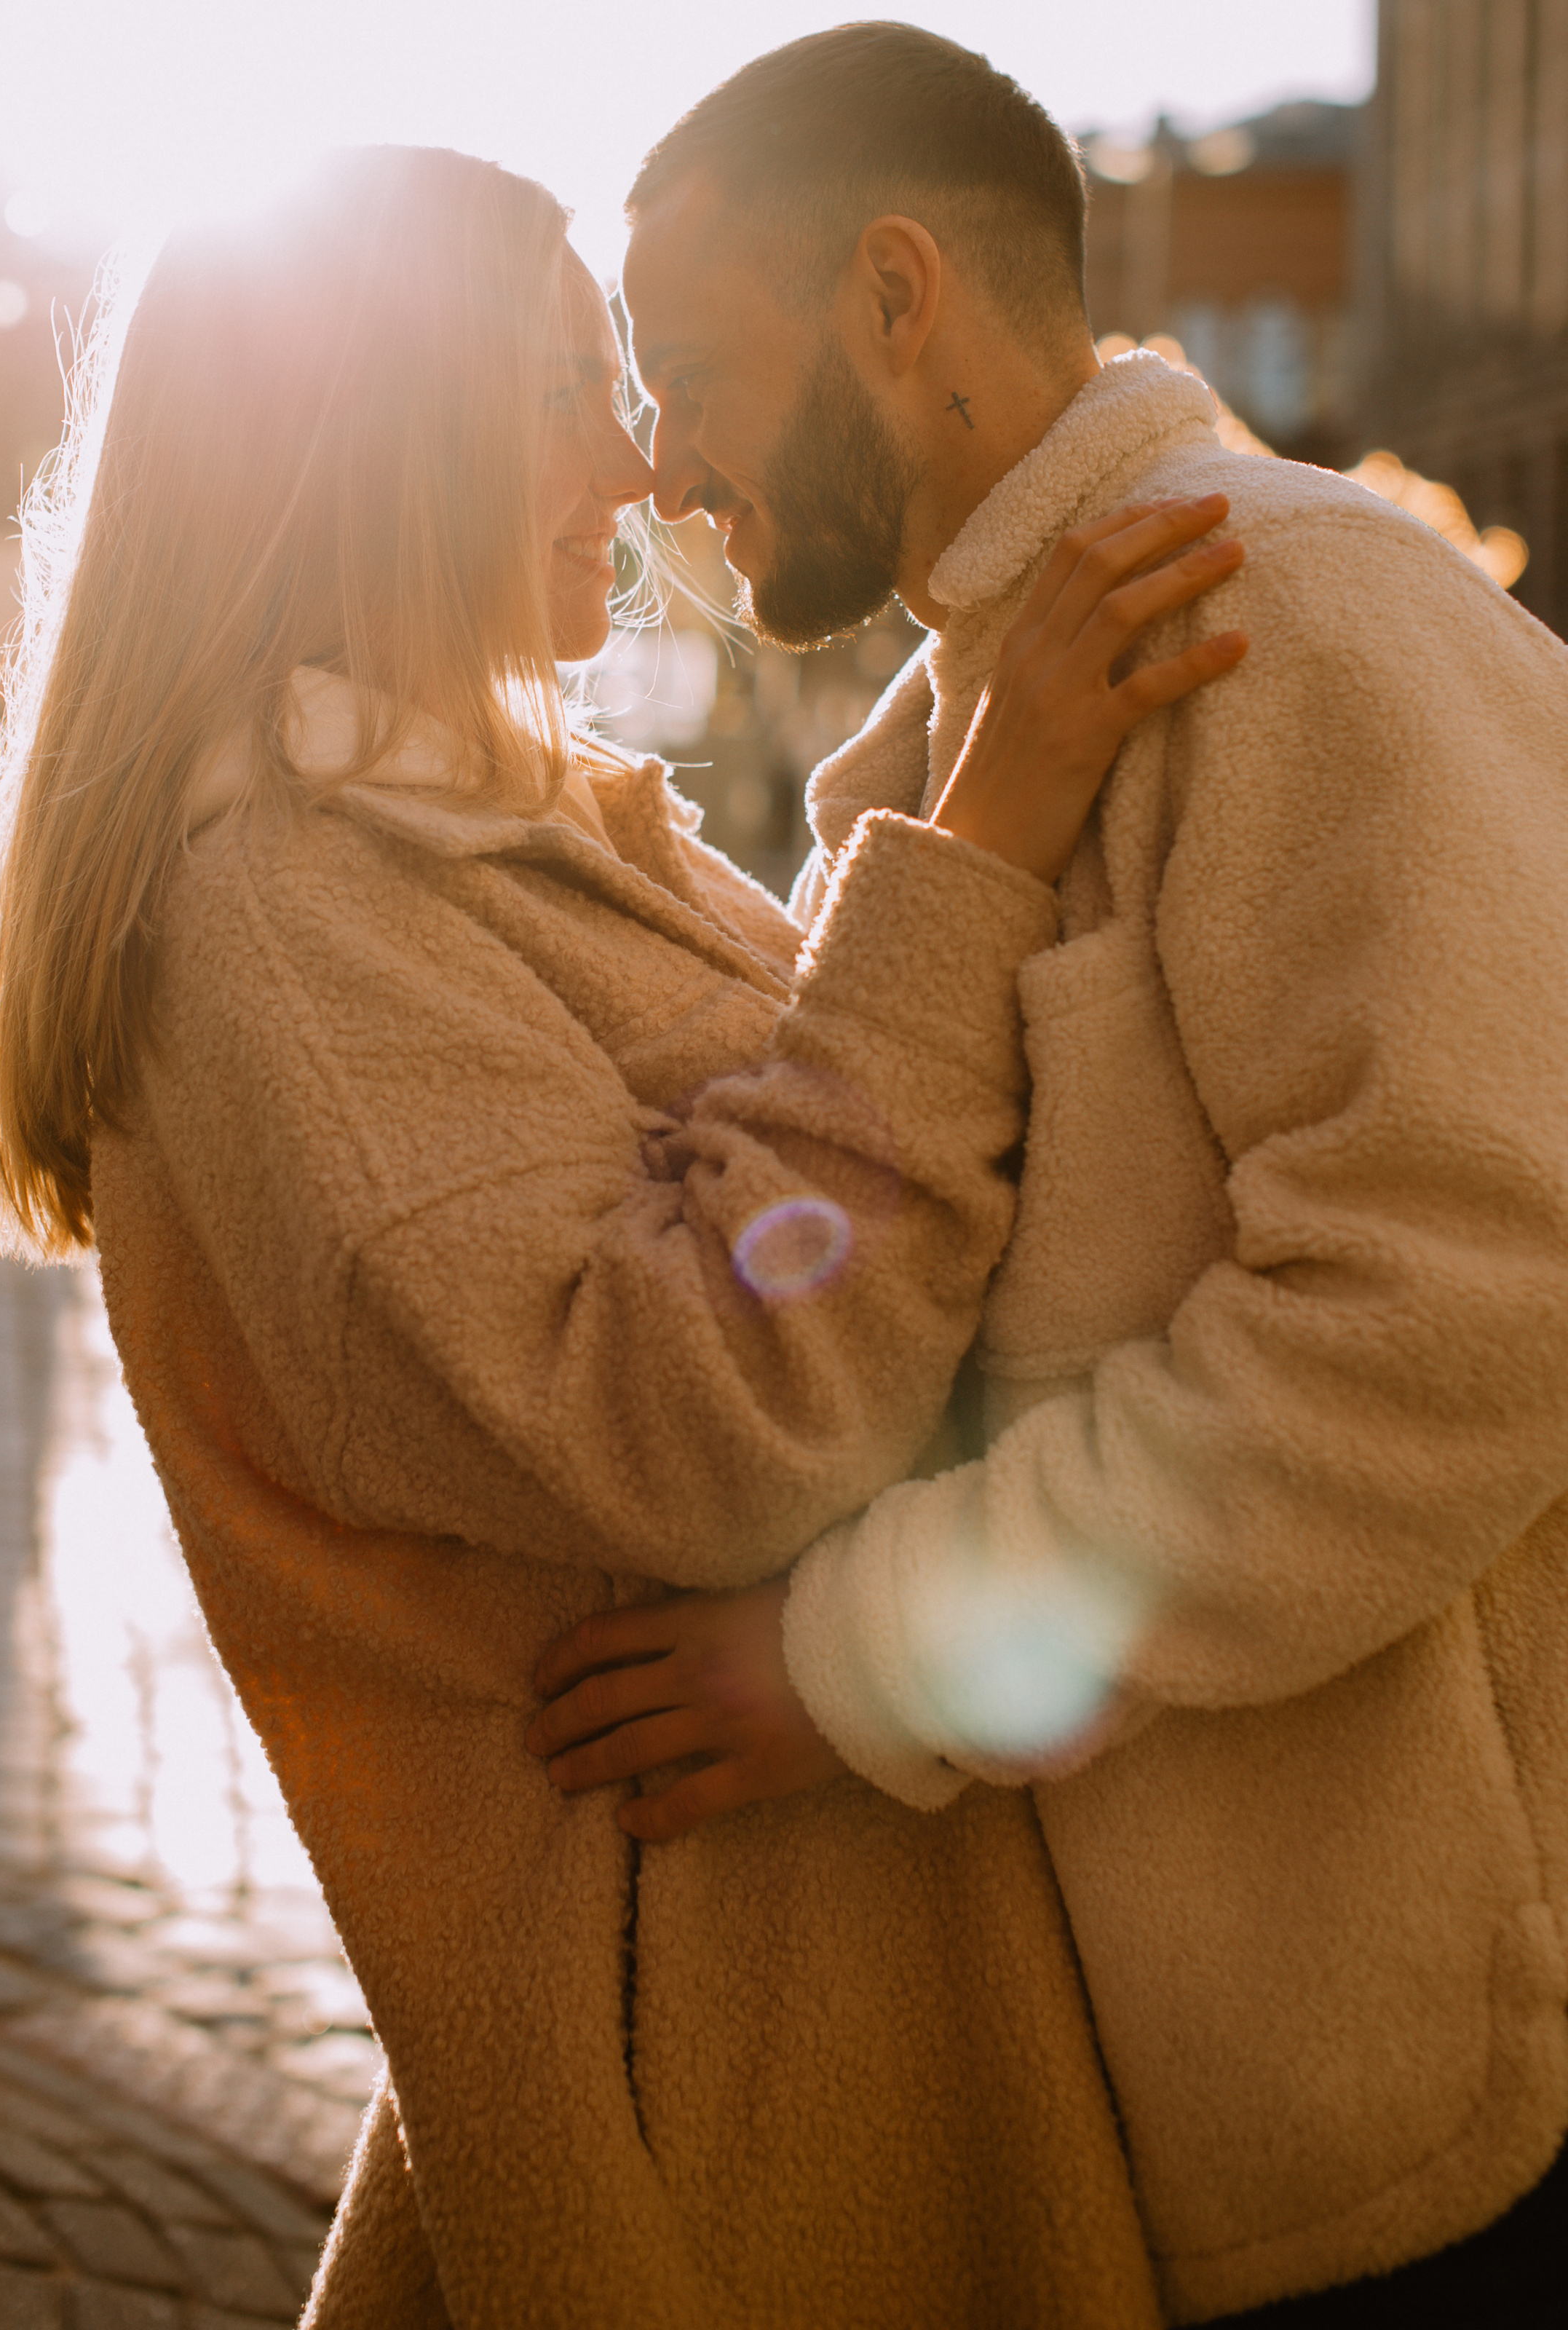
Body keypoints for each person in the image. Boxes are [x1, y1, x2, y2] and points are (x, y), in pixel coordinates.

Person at [0, 143, 1248, 2328]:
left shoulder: (467, 832)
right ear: (377, 432)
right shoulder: (283, 919)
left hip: (803, 1989)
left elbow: (796, 1137)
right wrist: (983, 841)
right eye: (562, 386)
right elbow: (706, 1411)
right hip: (737, 2062)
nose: (637, 455)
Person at [529, 25, 1568, 2326]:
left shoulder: (1282, 609)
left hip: (1416, 2124)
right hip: (1159, 2098)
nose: (663, 465)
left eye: (691, 371)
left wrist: (862, 1661)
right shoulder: (967, 717)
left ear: (900, 296)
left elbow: (1466, 1308)